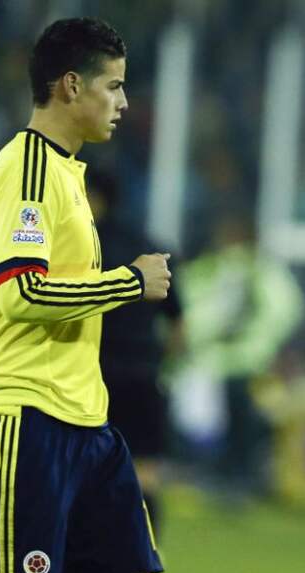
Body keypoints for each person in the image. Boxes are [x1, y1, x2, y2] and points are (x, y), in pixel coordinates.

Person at [0, 18, 170, 573]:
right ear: (71, 86)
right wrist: (128, 281)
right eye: (115, 86)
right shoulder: (27, 169)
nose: (124, 102)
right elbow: (22, 292)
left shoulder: (68, 172)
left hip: (87, 420)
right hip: (26, 417)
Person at [88, 169, 184, 539]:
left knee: (84, 464)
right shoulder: (150, 247)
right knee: (144, 467)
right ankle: (147, 547)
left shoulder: (84, 244)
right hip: (144, 373)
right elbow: (178, 323)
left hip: (94, 372)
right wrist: (162, 363)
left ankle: (87, 544)